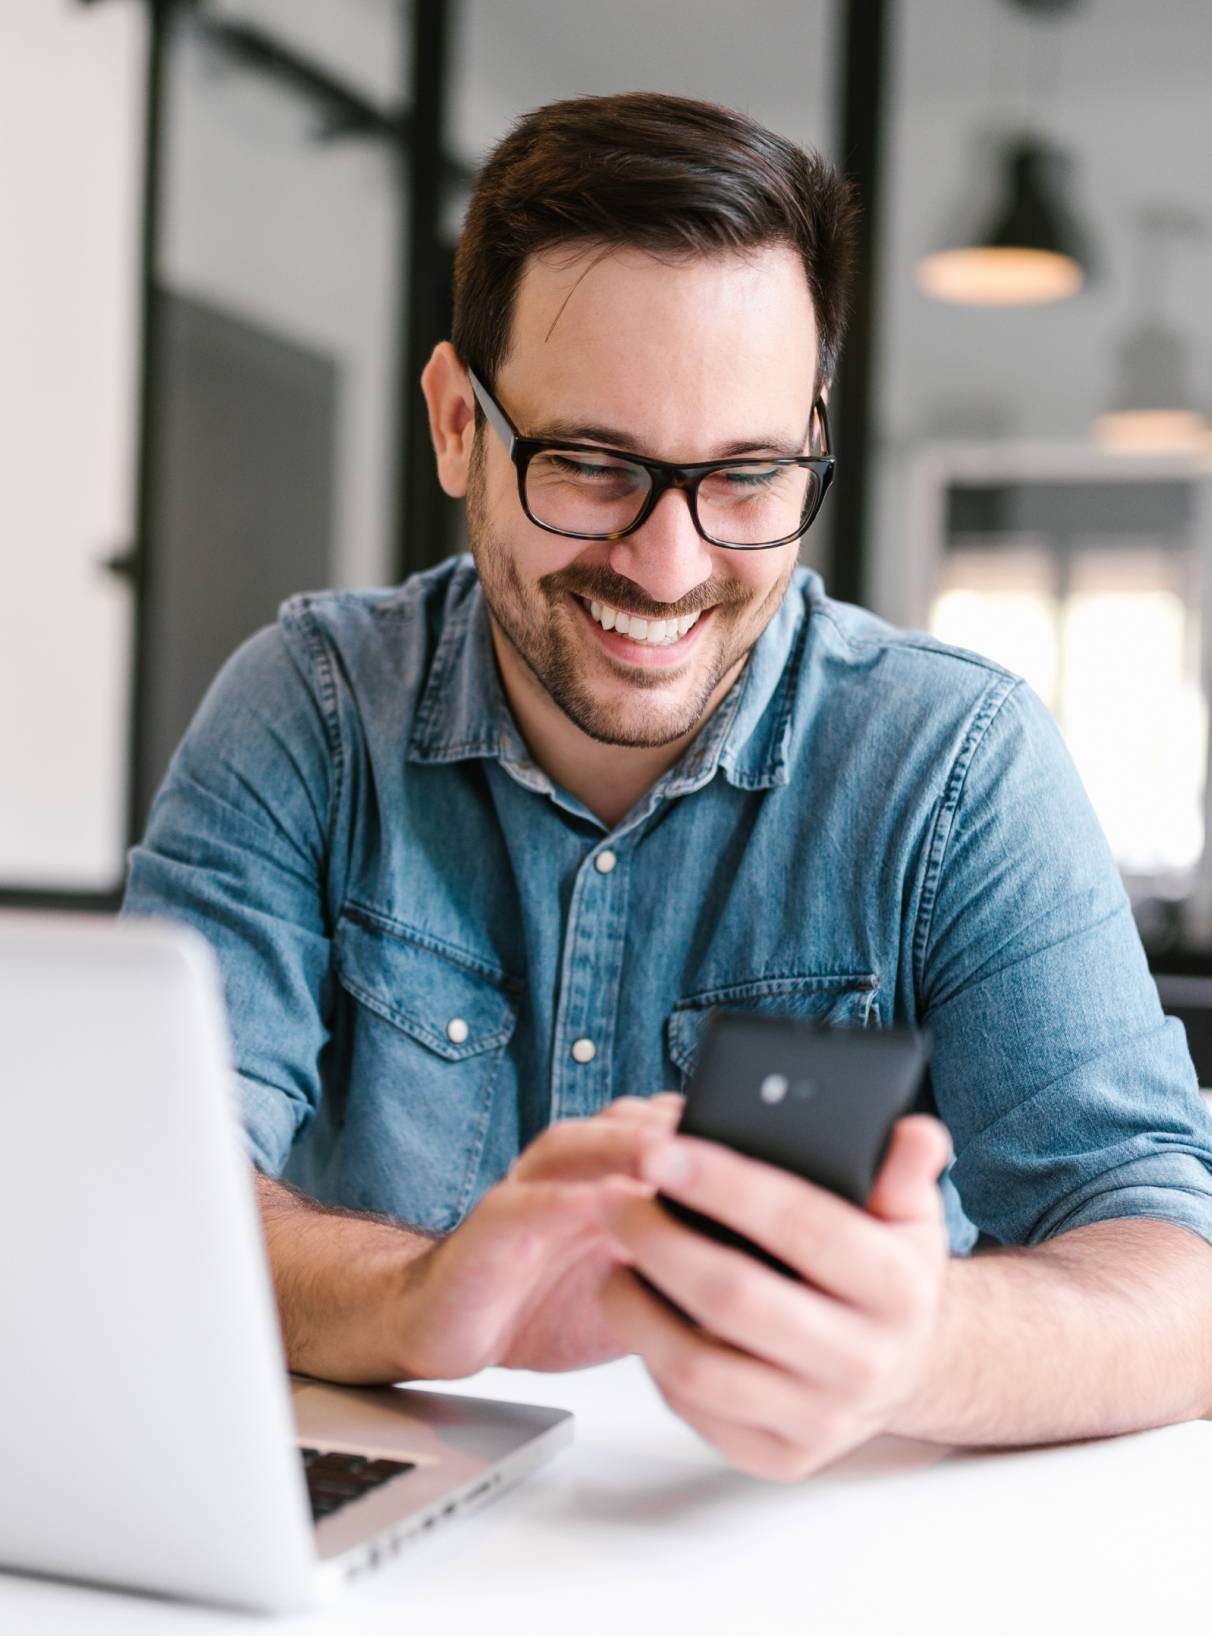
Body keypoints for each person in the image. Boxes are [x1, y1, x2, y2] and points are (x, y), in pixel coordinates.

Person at [123, 92, 1212, 1482]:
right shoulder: (311, 713)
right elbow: (144, 1200)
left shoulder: (958, 765)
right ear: (460, 425)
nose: (670, 564)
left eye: (747, 476)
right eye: (591, 466)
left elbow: (1179, 1273)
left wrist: (916, 1347)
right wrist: (421, 1295)